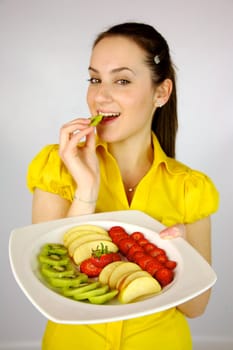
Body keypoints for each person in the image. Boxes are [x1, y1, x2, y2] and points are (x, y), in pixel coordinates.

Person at [27, 22, 219, 350]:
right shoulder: (57, 166)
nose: (100, 96)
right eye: (95, 79)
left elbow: (195, 308)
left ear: (161, 92)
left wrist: (178, 256)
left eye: (122, 80)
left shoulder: (191, 187)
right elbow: (49, 287)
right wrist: (86, 192)